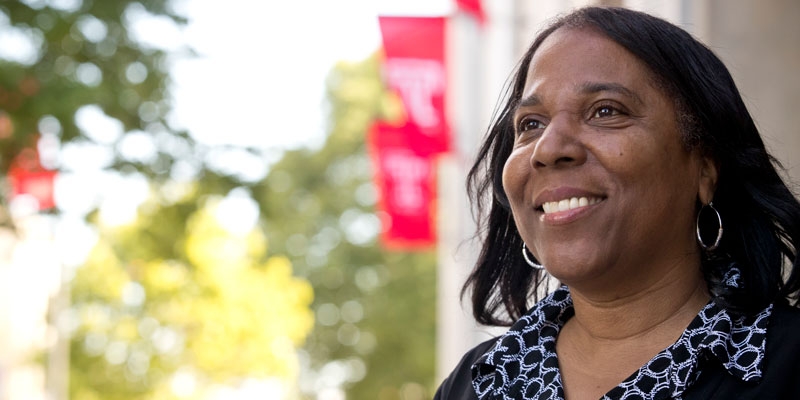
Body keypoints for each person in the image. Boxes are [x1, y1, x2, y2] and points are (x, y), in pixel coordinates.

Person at [435, 6, 800, 400]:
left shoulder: (790, 367)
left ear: (705, 170)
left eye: (606, 111)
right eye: (530, 124)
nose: (549, 148)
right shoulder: (475, 384)